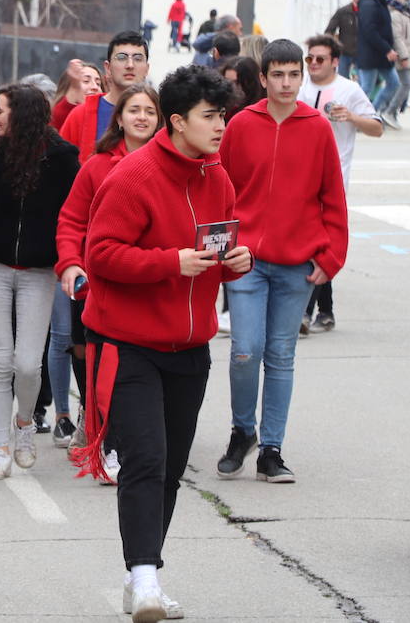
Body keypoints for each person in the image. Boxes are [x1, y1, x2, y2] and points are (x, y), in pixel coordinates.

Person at [73, 66, 252, 621]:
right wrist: (169, 262)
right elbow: (99, 255)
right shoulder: (132, 175)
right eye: (210, 116)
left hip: (190, 349)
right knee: (146, 459)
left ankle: (139, 574)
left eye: (223, 115)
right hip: (127, 343)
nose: (221, 125)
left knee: (171, 465)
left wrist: (233, 264)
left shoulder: (217, 177)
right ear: (176, 122)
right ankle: (146, 578)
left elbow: (213, 255)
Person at [215, 40, 349, 485]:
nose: (287, 83)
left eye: (295, 74)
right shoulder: (240, 126)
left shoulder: (317, 128)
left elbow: (333, 198)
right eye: (279, 75)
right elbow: (222, 191)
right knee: (244, 351)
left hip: (297, 264)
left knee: (281, 355)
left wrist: (331, 258)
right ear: (265, 78)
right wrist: (222, 253)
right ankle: (242, 431)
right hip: (247, 261)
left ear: (302, 76)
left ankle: (271, 449)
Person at [0, 84, 79, 478]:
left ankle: (25, 423)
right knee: (1, 361)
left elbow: (76, 214)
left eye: (2, 110)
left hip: (40, 273)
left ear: (22, 115)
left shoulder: (62, 160)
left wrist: (62, 253)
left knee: (27, 365)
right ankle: (0, 448)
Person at [52, 84, 162, 475]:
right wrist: (70, 263)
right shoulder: (97, 166)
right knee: (102, 368)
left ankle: (120, 438)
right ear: (120, 117)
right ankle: (105, 440)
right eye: (135, 110)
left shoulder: (172, 166)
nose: (142, 118)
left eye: (150, 110)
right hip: (99, 288)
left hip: (152, 288)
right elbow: (70, 221)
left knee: (137, 374)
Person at [299, 35, 382, 335]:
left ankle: (307, 312)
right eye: (309, 59)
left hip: (333, 179)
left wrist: (351, 117)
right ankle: (324, 310)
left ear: (335, 61)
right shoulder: (299, 88)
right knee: (313, 242)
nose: (314, 65)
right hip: (299, 178)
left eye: (320, 59)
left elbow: (377, 127)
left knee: (317, 241)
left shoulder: (349, 89)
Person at [61, 30, 151, 162]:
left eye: (138, 59)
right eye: (121, 57)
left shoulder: (159, 117)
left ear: (147, 69)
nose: (130, 65)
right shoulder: (80, 115)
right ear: (108, 68)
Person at [356, 0, 399, 118]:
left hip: (380, 55)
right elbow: (370, 31)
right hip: (372, 54)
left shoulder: (380, 2)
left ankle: (372, 112)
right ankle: (358, 116)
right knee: (366, 87)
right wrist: (387, 49)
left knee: (393, 83)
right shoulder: (370, 4)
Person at [51, 59, 104, 130]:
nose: (95, 87)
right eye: (86, 81)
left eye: (98, 84)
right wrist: (75, 88)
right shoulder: (59, 115)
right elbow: (62, 113)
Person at [324, 0, 364, 78]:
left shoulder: (367, 12)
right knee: (342, 79)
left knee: (362, 81)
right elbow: (329, 30)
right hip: (344, 52)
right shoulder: (343, 11)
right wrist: (329, 46)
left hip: (361, 53)